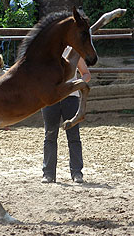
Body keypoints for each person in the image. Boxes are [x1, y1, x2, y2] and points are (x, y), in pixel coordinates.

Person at [41, 48, 91, 184]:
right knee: (50, 135)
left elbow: (86, 74)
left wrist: (77, 84)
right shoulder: (47, 51)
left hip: (70, 98)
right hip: (50, 99)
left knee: (74, 136)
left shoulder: (74, 52)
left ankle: (77, 173)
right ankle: (48, 174)